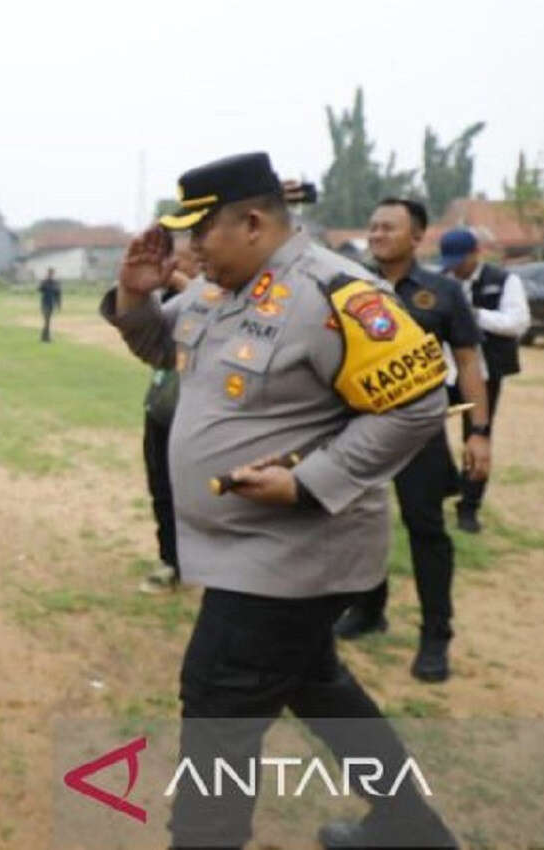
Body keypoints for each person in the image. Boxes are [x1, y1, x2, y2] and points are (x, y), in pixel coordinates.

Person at [103, 153, 456, 849]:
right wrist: (137, 295)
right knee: (315, 683)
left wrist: (309, 481)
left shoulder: (335, 293)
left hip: (293, 553)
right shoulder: (216, 289)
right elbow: (160, 349)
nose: (189, 249)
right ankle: (410, 825)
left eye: (199, 233)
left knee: (217, 703)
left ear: (255, 221)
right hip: (243, 552)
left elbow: (419, 406)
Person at [332, 200, 492, 683]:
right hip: (357, 430)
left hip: (417, 431)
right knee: (357, 525)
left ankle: (436, 634)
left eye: (389, 227)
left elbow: (467, 363)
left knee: (426, 530)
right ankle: (368, 608)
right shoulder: (348, 287)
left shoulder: (442, 293)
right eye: (373, 225)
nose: (377, 234)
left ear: (416, 236)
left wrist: (479, 433)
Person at [440, 227, 528, 532]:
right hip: (443, 371)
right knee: (422, 426)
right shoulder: (442, 280)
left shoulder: (504, 281)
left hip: (484, 373)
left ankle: (469, 507)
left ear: (475, 254)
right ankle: (442, 484)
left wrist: (474, 315)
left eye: (459, 260)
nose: (454, 267)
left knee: (477, 436)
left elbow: (518, 323)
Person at [138, 239, 198, 594]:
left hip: (195, 414)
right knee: (160, 488)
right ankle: (171, 560)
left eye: (181, 257)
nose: (173, 263)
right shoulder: (169, 298)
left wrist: (177, 282)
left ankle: (198, 562)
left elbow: (210, 304)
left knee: (193, 493)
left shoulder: (218, 294)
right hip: (161, 405)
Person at [37, 268, 62, 342]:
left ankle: (44, 337)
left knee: (48, 321)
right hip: (45, 304)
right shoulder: (45, 282)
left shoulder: (55, 283)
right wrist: (45, 281)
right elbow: (39, 289)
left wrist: (59, 304)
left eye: (51, 273)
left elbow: (58, 294)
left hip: (51, 304)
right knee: (47, 320)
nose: (50, 275)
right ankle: (46, 337)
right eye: (49, 273)